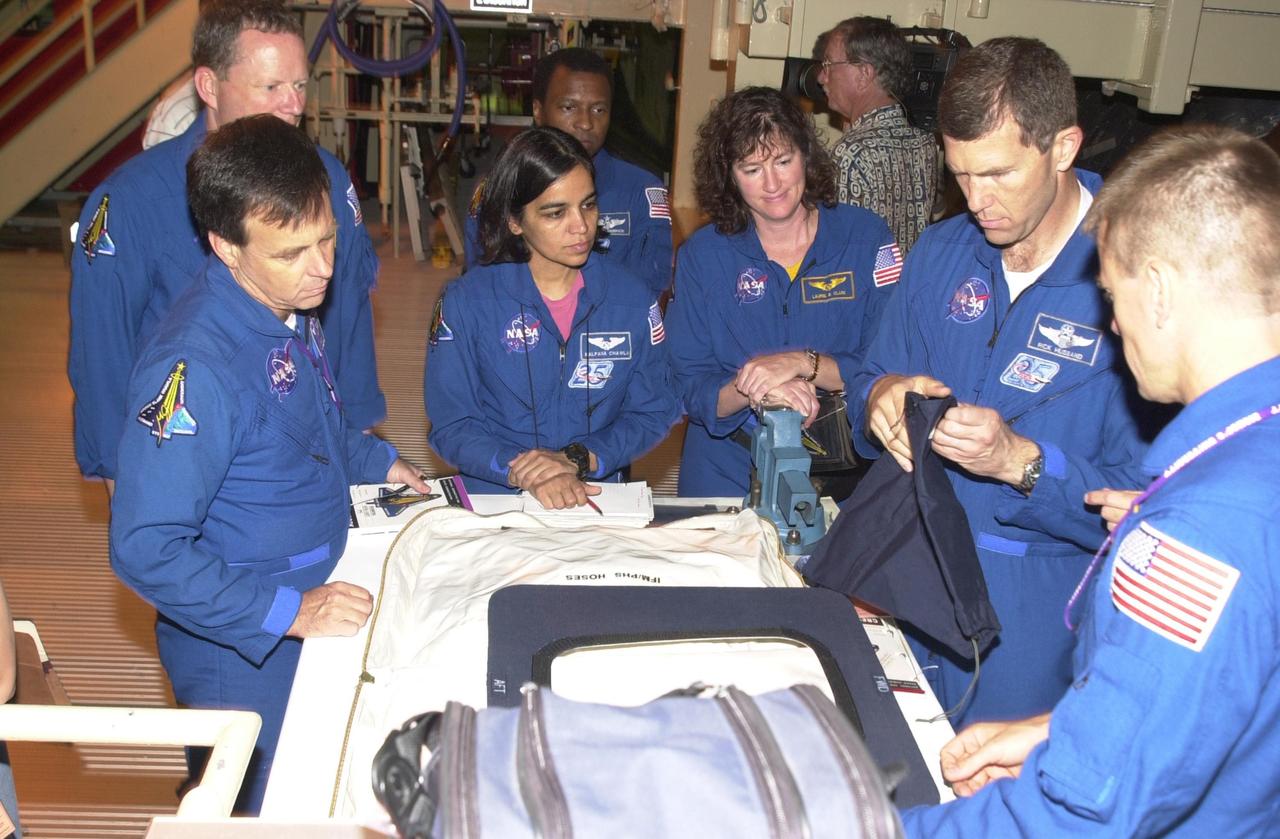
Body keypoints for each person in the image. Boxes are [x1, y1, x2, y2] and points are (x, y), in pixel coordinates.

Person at [902, 124, 1280, 838]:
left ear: (1160, 290)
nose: (1112, 323)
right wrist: (1059, 729)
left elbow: (1078, 814)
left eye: (1112, 294)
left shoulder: (1199, 532)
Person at [109, 115, 428, 814]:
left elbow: (304, 419)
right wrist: (291, 610)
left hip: (313, 596)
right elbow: (145, 547)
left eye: (327, 240)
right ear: (226, 246)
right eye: (291, 252)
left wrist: (375, 457)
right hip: (244, 645)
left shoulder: (282, 298)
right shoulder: (194, 369)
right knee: (264, 813)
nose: (321, 268)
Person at [848, 38, 1154, 727]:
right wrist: (879, 397)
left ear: (1065, 146)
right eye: (961, 175)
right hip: (910, 590)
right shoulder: (942, 251)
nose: (976, 200)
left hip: (1039, 627)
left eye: (997, 174)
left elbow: (1152, 503)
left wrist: (1023, 464)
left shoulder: (1138, 268)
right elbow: (870, 375)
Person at [69, 0, 385, 495]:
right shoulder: (131, 202)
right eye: (271, 87)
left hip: (303, 445)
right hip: (190, 451)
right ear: (209, 87)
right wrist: (120, 479)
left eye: (299, 85)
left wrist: (357, 435)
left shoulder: (326, 180)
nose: (293, 104)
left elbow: (348, 316)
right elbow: (102, 354)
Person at [666, 86, 901, 497]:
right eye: (751, 169)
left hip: (841, 470)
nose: (772, 184)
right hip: (726, 469)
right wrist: (756, 387)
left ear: (806, 156)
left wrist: (800, 364)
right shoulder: (703, 257)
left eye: (783, 161)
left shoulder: (866, 238)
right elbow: (687, 386)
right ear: (729, 175)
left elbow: (891, 362)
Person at [427, 127, 678, 507]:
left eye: (589, 205)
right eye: (555, 212)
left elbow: (654, 410)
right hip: (497, 498)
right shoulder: (465, 304)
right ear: (515, 221)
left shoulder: (633, 302)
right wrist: (520, 469)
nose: (580, 226)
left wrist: (580, 458)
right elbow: (452, 425)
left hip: (599, 494)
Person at [464, 48, 673, 298]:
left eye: (598, 109)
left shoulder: (642, 193)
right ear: (538, 110)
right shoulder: (500, 189)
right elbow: (481, 287)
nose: (585, 122)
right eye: (568, 107)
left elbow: (650, 294)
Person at [814, 16, 938, 254]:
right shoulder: (924, 142)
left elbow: (843, 254)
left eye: (828, 64)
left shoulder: (852, 154)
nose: (821, 76)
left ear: (864, 74)